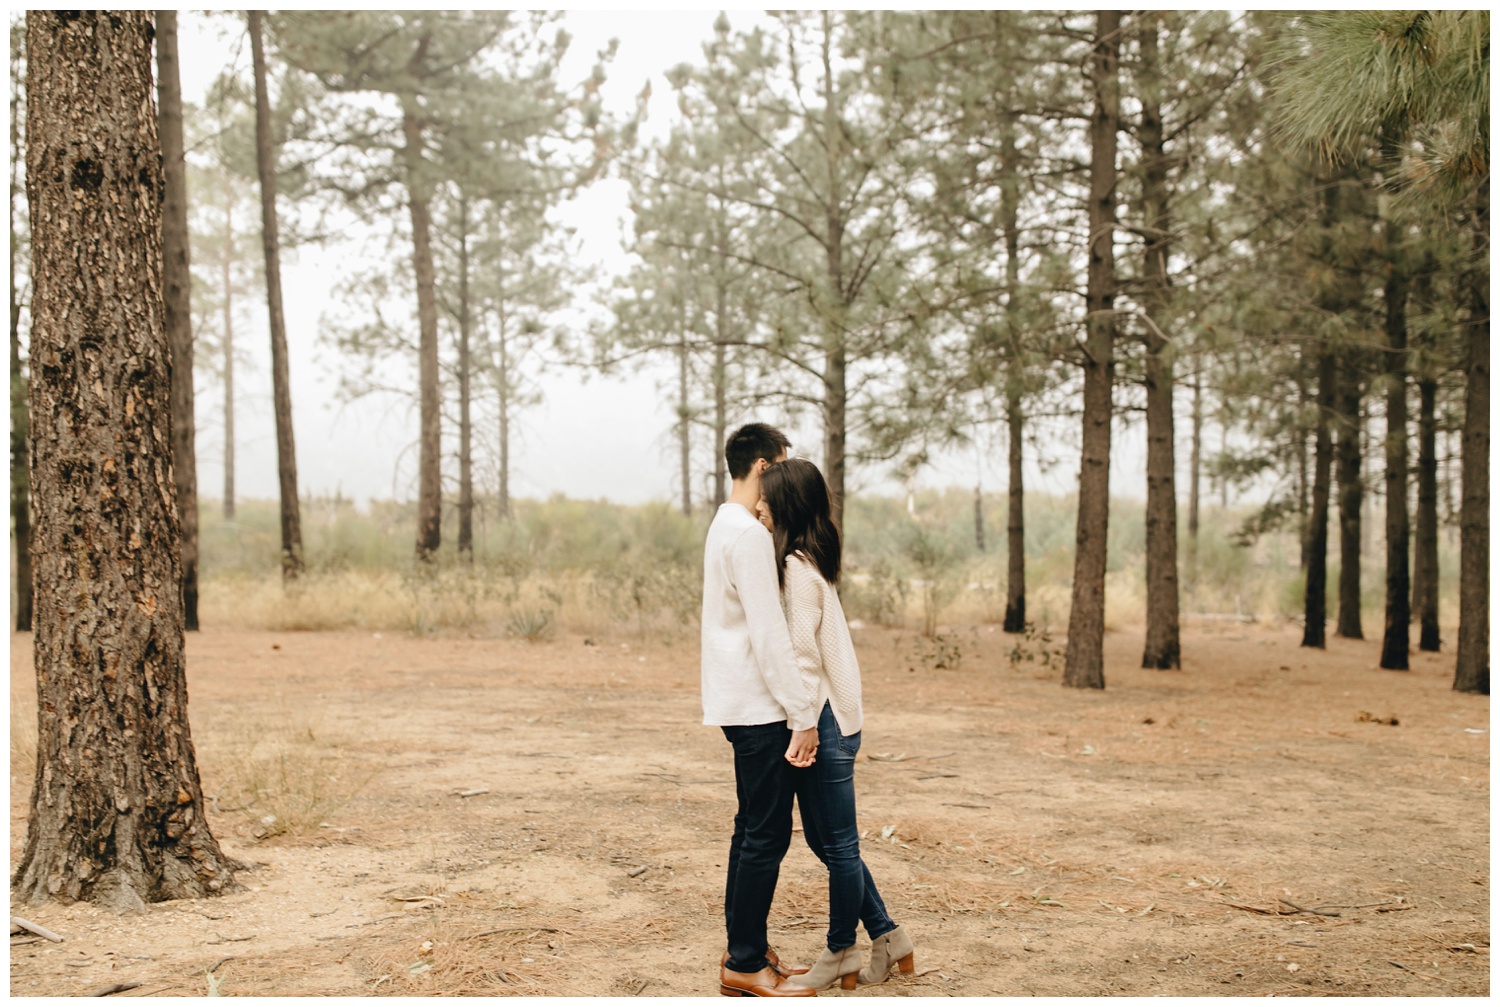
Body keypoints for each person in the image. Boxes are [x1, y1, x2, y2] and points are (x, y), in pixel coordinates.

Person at [757, 457, 915, 990]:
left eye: (767, 499)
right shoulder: (810, 559)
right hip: (831, 717)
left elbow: (802, 656)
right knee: (830, 845)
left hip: (821, 720)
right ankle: (889, 937)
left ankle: (839, 950)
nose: (759, 506)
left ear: (787, 505)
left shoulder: (797, 568)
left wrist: (802, 723)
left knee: (838, 846)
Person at [702, 423, 819, 998]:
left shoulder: (724, 525)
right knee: (765, 836)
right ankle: (746, 961)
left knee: (750, 829)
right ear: (763, 467)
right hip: (757, 705)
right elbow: (770, 635)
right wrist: (803, 712)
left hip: (737, 700)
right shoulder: (747, 535)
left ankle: (746, 947)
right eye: (781, 465)